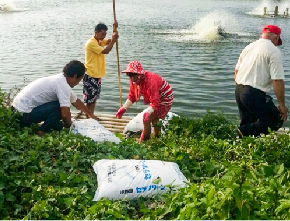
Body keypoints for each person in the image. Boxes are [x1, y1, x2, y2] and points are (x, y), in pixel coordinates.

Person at [12, 60, 98, 136]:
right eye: (79, 80)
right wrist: (71, 124)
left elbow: (75, 101)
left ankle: (47, 127)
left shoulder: (60, 80)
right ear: (75, 76)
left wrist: (89, 113)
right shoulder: (63, 85)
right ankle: (41, 132)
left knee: (59, 125)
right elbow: (65, 115)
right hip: (21, 115)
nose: (77, 83)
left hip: (16, 112)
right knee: (59, 107)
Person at [234, 24, 287, 137]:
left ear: (261, 35)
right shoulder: (273, 51)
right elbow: (277, 81)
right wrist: (282, 105)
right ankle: (241, 132)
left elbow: (236, 71)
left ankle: (241, 143)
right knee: (275, 119)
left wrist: (242, 93)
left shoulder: (249, 47)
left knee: (249, 123)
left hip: (239, 90)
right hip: (252, 92)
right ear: (277, 37)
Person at [115, 61, 174, 142]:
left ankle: (145, 140)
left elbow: (155, 102)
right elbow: (132, 96)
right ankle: (157, 137)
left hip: (165, 98)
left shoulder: (151, 81)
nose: (130, 77)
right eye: (128, 74)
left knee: (147, 119)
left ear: (138, 75)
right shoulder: (134, 80)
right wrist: (124, 108)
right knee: (154, 119)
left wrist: (149, 111)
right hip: (157, 98)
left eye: (132, 74)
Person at [83, 22, 119, 117]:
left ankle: (91, 115)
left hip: (97, 75)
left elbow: (109, 42)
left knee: (94, 99)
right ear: (96, 33)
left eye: (105, 34)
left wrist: (114, 29)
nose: (104, 36)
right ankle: (88, 116)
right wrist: (114, 40)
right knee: (89, 100)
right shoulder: (91, 43)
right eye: (102, 34)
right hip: (91, 74)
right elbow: (106, 50)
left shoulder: (99, 40)